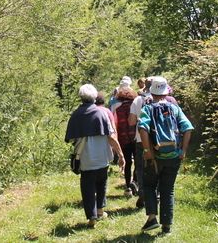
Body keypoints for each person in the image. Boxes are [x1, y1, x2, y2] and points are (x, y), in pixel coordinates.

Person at [138, 77, 193, 235]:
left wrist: (148, 151)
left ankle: (152, 219)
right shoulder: (174, 108)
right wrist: (183, 151)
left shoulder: (148, 108)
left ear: (152, 91)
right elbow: (188, 128)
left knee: (149, 186)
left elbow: (142, 128)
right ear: (166, 91)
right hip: (174, 156)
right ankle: (166, 227)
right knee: (167, 190)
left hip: (154, 157)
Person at [65, 83, 125, 228]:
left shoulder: (76, 114)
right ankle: (100, 211)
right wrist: (120, 154)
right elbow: (111, 137)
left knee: (87, 188)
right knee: (101, 184)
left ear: (81, 97)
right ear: (94, 97)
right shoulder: (102, 113)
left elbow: (70, 139)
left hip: (85, 158)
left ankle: (91, 218)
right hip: (102, 157)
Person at [128, 76, 153, 208]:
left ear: (145, 86)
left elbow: (131, 121)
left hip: (140, 140)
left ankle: (143, 192)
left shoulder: (138, 99)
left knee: (141, 168)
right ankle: (156, 194)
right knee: (156, 167)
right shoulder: (162, 99)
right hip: (158, 140)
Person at [110, 84, 138, 197]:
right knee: (137, 162)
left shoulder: (118, 109)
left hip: (123, 140)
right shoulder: (135, 107)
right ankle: (135, 182)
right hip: (135, 138)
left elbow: (115, 126)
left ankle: (127, 187)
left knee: (127, 163)